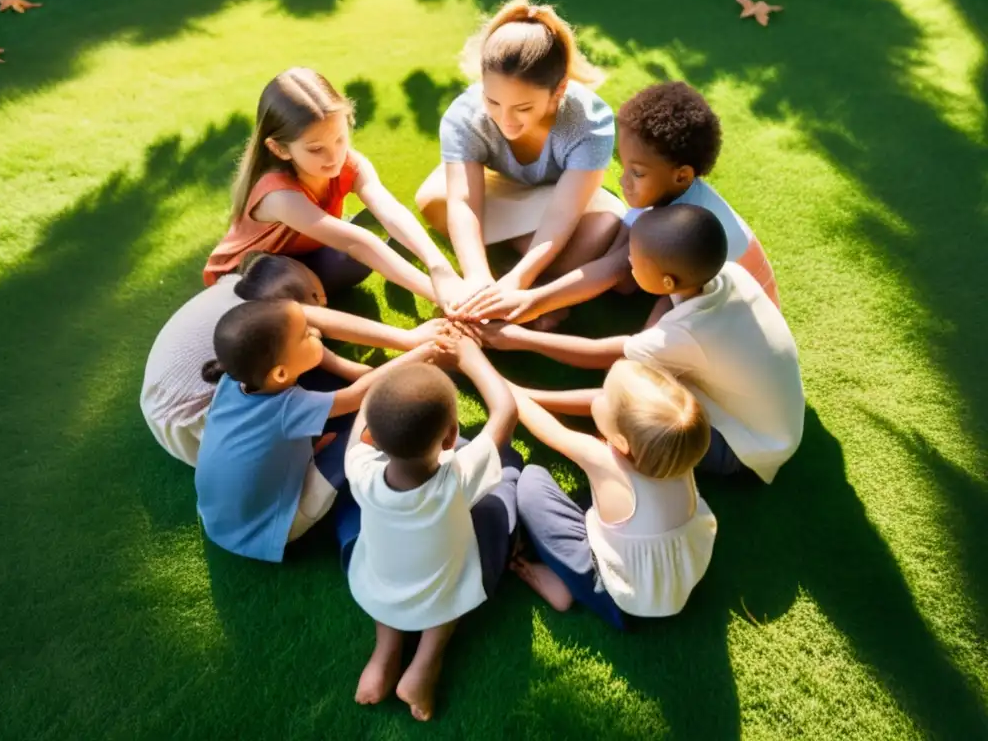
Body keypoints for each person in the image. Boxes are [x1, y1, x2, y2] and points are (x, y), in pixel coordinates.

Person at [481, 204, 805, 482]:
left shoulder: (686, 335)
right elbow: (671, 301)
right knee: (642, 366)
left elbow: (602, 356)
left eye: (636, 259)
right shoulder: (729, 274)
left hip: (745, 449)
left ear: (667, 279)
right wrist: (650, 337)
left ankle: (526, 396)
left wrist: (519, 338)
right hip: (776, 425)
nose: (629, 262)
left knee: (632, 395)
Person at [463, 81, 780, 324]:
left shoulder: (683, 221)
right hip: (699, 288)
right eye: (624, 166)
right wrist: (548, 293)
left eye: (637, 173)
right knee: (625, 263)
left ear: (681, 176)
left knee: (641, 356)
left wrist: (533, 301)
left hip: (734, 317)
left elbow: (615, 269)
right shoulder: (666, 194)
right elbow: (620, 262)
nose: (624, 181)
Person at [415, 0, 625, 327]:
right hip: (506, 192)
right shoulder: (464, 115)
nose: (505, 119)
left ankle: (521, 281)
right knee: (432, 199)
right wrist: (478, 278)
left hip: (565, 201)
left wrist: (519, 281)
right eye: (492, 101)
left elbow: (563, 211)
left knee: (601, 230)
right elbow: (465, 202)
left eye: (523, 108)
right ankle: (510, 276)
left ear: (558, 91)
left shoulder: (589, 120)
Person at [194, 299, 452, 562]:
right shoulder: (287, 407)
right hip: (269, 529)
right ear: (281, 374)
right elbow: (357, 396)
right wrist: (419, 354)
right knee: (365, 431)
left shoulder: (233, 381)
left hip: (220, 519)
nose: (316, 333)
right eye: (306, 335)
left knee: (335, 423)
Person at [342, 339, 519, 721]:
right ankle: (426, 661)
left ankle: (384, 655)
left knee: (393, 580)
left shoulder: (360, 470)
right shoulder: (457, 476)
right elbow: (506, 411)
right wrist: (472, 358)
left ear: (373, 436)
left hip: (380, 585)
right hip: (443, 591)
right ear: (451, 437)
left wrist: (405, 363)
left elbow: (361, 421)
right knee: (503, 487)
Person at [141, 253, 452, 466]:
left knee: (303, 360)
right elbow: (350, 394)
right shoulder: (262, 321)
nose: (323, 307)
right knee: (330, 404)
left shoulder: (240, 300)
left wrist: (359, 370)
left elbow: (321, 353)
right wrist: (410, 342)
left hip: (167, 411)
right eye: (317, 299)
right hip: (195, 428)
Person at [204, 67, 467, 308]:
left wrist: (440, 268)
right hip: (250, 279)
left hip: (302, 257)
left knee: (359, 253)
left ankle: (320, 284)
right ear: (280, 148)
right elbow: (356, 243)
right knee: (357, 249)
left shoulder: (349, 163)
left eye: (340, 139)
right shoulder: (278, 195)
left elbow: (389, 209)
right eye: (316, 149)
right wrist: (444, 296)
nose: (334, 157)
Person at [510, 360, 717, 627]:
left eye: (605, 396)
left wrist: (493, 378)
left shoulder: (603, 461)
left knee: (531, 483)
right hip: (675, 584)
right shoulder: (675, 452)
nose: (599, 395)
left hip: (620, 601)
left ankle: (571, 586)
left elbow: (549, 430)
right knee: (597, 504)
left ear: (621, 442)